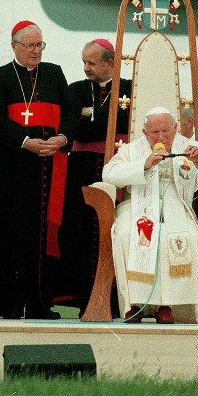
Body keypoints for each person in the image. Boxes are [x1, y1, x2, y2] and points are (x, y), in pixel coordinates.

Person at [0, 20, 77, 319]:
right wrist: (26, 142)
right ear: (14, 46)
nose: (36, 51)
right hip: (14, 166)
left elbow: (71, 112)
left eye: (40, 45)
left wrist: (62, 138)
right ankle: (10, 302)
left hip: (50, 165)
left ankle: (39, 302)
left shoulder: (54, 72)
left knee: (44, 233)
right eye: (30, 46)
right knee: (12, 232)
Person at [104, 107, 198, 324]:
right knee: (125, 234)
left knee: (186, 236)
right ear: (144, 132)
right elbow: (109, 174)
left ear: (176, 128)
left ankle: (167, 306)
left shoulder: (192, 148)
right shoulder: (131, 150)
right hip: (137, 207)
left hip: (177, 205)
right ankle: (136, 305)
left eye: (166, 131)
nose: (161, 137)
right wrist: (144, 164)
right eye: (155, 132)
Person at [58, 39, 131, 314]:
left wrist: (92, 114)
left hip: (118, 164)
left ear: (109, 63)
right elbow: (78, 129)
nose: (85, 68)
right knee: (81, 229)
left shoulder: (128, 88)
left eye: (91, 63)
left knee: (114, 228)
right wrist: (97, 117)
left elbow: (124, 123)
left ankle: (115, 299)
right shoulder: (76, 89)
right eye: (84, 62)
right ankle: (83, 298)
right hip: (82, 167)